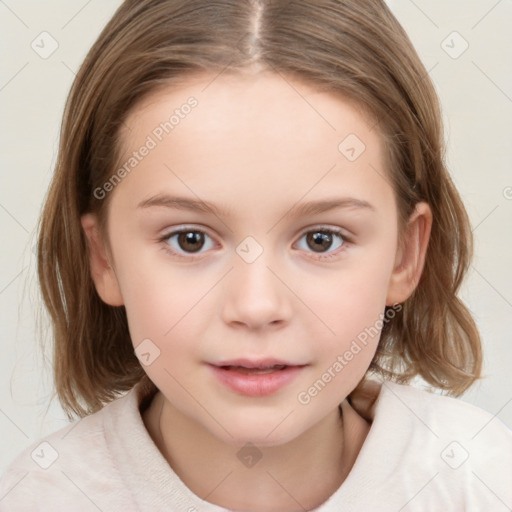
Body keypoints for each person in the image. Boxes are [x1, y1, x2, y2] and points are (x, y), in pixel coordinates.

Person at [1, 0, 511, 510]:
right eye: (190, 239)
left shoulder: (480, 482)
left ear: (405, 254)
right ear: (105, 258)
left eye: (320, 240)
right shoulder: (43, 496)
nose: (256, 306)